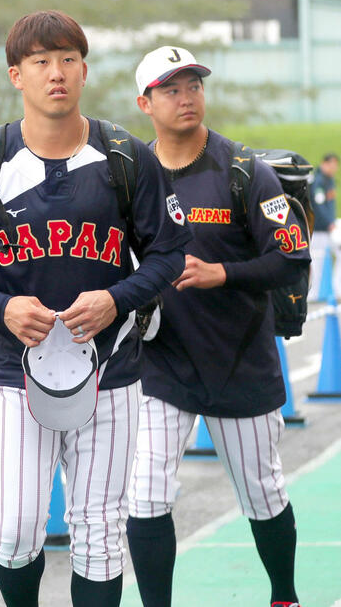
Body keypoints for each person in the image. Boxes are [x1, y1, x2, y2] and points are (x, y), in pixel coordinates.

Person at [0, 10, 190, 607]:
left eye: (68, 60)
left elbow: (169, 256)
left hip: (111, 369)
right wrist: (1, 307)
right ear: (15, 75)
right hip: (10, 374)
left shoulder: (126, 158)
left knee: (98, 533)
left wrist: (117, 297)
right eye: (41, 62)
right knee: (16, 533)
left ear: (85, 70)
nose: (56, 74)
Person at [128, 45, 310, 607]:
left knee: (262, 490)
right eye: (172, 89)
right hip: (161, 365)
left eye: (194, 86)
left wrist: (222, 273)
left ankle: (284, 595)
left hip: (240, 362)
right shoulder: (129, 174)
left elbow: (291, 257)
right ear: (146, 102)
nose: (187, 98)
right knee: (146, 494)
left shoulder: (243, 172)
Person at [308, 152, 339, 301]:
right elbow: (319, 206)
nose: (334, 169)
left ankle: (336, 290)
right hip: (319, 229)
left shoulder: (329, 180)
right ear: (324, 163)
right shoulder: (318, 181)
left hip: (328, 227)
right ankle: (313, 294)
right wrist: (329, 223)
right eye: (332, 165)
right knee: (316, 260)